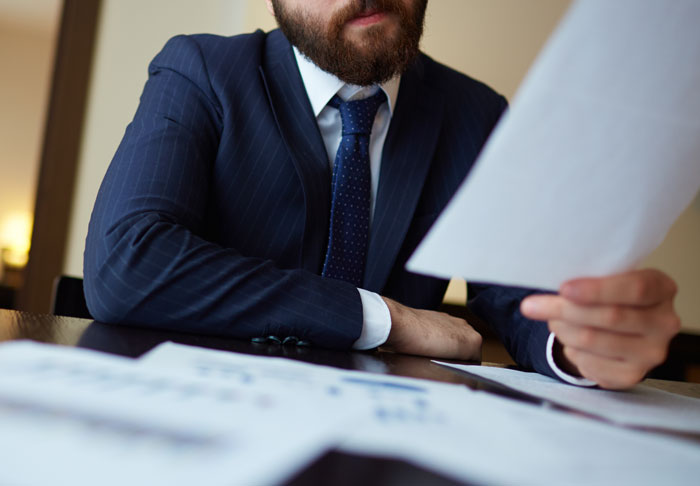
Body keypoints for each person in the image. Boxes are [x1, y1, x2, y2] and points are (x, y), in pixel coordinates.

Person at [84, 0, 680, 390]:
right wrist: (383, 319)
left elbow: (525, 299)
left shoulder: (476, 114)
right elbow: (127, 264)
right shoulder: (200, 70)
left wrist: (582, 343)